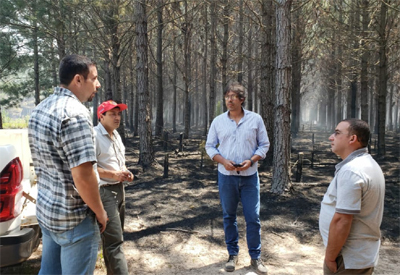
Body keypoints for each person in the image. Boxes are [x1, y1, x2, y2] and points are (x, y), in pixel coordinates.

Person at [28, 54, 107, 274]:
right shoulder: (75, 115)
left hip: (48, 212)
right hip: (75, 219)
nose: (98, 84)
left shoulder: (40, 109)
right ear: (78, 80)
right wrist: (100, 212)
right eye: (94, 78)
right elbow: (83, 175)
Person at [205, 82, 270, 274]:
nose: (229, 100)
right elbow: (209, 146)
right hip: (226, 176)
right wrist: (223, 161)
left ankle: (255, 257)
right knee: (229, 216)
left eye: (233, 97)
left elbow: (264, 145)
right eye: (227, 97)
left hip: (250, 176)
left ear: (242, 100)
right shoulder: (218, 121)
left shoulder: (255, 119)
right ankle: (232, 254)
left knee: (253, 217)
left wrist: (251, 160)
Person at [319, 118, 385, 275]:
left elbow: (342, 220)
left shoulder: (352, 171)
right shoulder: (367, 164)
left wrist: (329, 258)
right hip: (358, 255)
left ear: (352, 138)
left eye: (337, 133)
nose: (331, 137)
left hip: (346, 259)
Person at [94, 100, 133, 274]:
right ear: (101, 117)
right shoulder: (93, 136)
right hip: (104, 192)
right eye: (112, 114)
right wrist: (113, 175)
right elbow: (88, 168)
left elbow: (119, 163)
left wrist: (126, 172)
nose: (117, 118)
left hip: (119, 189)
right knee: (115, 241)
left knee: (114, 239)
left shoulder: (116, 135)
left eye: (119, 114)